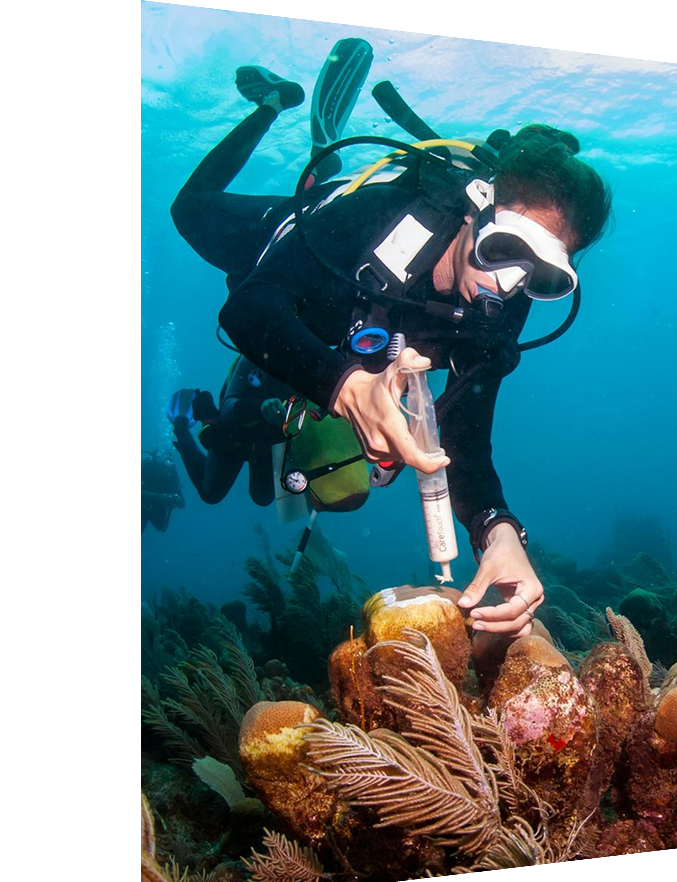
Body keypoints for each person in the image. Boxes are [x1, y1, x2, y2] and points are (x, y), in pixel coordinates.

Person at [170, 43, 612, 638]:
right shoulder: (384, 213)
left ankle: (314, 148)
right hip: (304, 248)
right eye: (505, 248)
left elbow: (466, 444)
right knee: (189, 210)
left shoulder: (501, 307)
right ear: (475, 210)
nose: (509, 283)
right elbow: (248, 307)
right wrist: (343, 385)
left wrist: (499, 530)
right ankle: (273, 105)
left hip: (346, 338)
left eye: (543, 276)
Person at [168, 357, 291, 506]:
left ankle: (201, 415)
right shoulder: (252, 357)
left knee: (262, 498)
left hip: (266, 442)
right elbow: (228, 405)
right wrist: (260, 407)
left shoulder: (306, 364)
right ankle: (182, 428)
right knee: (210, 494)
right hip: (233, 436)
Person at [141, 448, 186, 533]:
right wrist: (160, 498)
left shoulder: (171, 476)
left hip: (155, 512)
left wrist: (177, 499)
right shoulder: (147, 470)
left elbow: (183, 504)